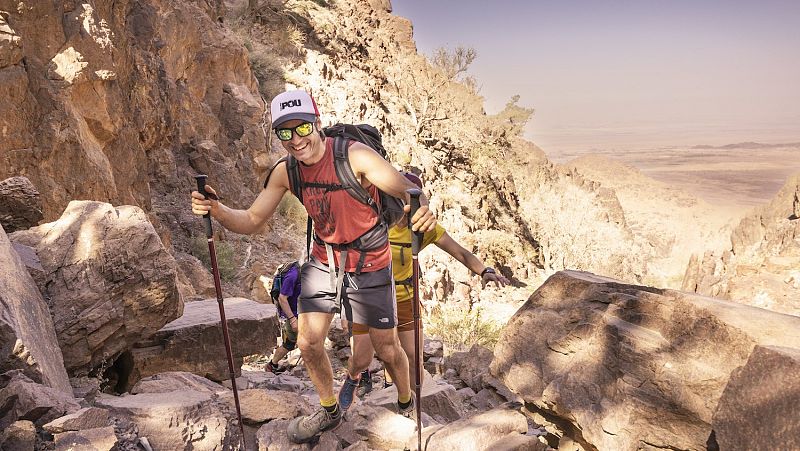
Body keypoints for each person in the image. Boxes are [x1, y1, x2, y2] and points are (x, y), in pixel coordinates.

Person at [190, 89, 437, 444]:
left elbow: (407, 192)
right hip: (324, 260)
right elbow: (252, 219)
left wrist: (422, 208)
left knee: (386, 349)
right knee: (307, 343)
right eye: (285, 133)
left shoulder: (357, 157)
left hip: (370, 261)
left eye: (302, 128)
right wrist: (217, 210)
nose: (296, 140)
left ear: (317, 124)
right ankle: (329, 409)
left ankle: (404, 401)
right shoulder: (286, 172)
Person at [338, 173, 509, 410]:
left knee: (413, 359)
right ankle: (353, 378)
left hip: (405, 298)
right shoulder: (371, 221)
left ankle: (409, 405)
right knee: (362, 358)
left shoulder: (422, 229)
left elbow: (459, 252)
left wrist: (484, 270)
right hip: (370, 298)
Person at [262, 262, 301, 374]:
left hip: (303, 312)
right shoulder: (292, 276)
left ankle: (273, 364)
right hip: (292, 314)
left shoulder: (307, 273)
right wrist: (292, 319)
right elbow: (282, 298)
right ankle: (272, 365)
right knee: (289, 343)